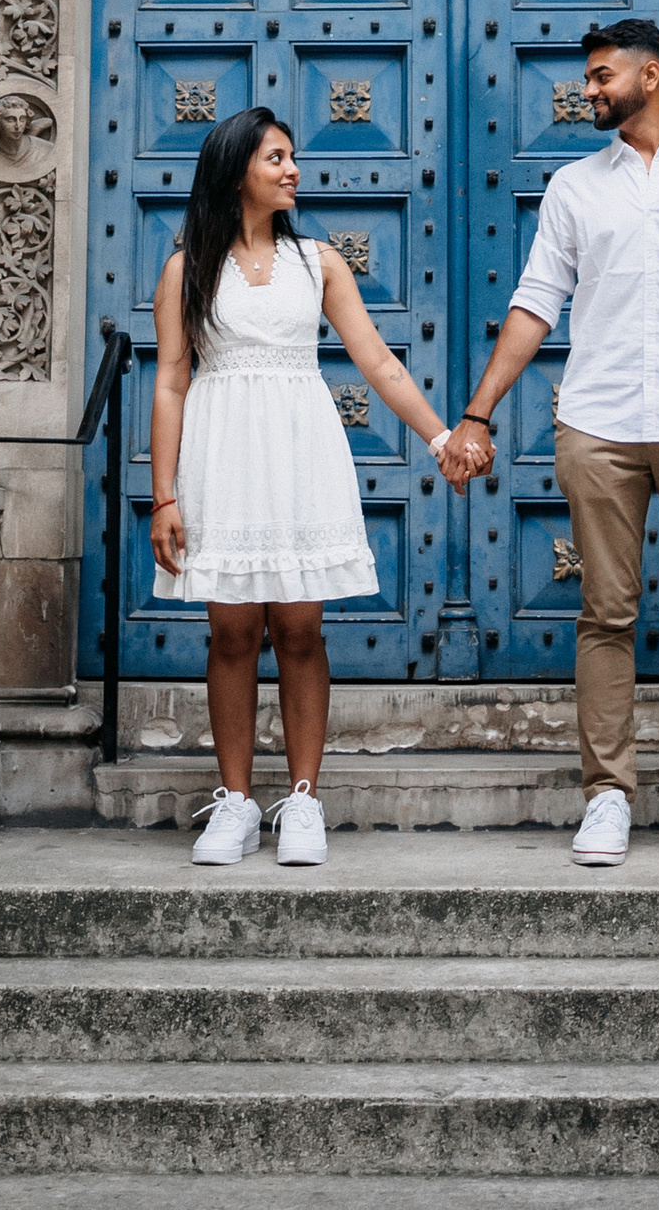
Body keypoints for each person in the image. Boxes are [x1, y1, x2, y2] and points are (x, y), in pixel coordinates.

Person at [440, 19, 659, 869]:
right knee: (606, 614)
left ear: (652, 76)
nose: (587, 91)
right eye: (588, 79)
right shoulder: (573, 188)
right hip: (596, 423)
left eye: (601, 76)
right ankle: (607, 797)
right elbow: (535, 301)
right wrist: (479, 412)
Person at [150, 108, 457, 868]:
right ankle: (235, 803)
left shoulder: (319, 261)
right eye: (276, 157)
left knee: (298, 631)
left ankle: (305, 800)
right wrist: (163, 495)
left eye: (292, 157)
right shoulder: (186, 268)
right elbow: (170, 382)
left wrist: (441, 437)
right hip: (221, 455)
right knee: (230, 633)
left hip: (299, 451)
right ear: (236, 170)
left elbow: (378, 361)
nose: (293, 170)